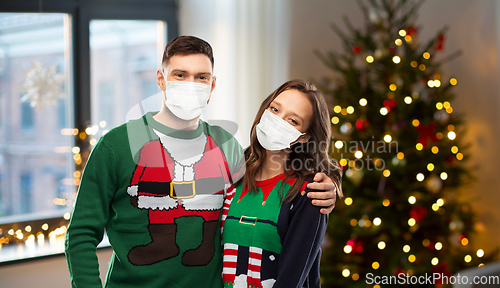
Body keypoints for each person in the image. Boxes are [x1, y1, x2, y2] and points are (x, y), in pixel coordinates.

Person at [65, 36, 337, 288]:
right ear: (161, 79)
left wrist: (330, 185)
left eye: (201, 77)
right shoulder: (115, 146)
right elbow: (80, 235)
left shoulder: (227, 146)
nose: (190, 84)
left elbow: (275, 171)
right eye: (180, 75)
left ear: (212, 85)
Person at [221, 79, 342, 288]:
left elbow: (292, 278)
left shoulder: (310, 193)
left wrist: (334, 178)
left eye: (293, 121)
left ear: (304, 137)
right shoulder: (230, 173)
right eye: (275, 109)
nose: (278, 120)